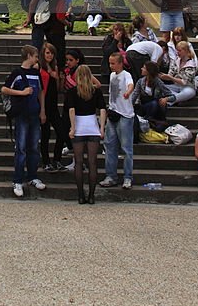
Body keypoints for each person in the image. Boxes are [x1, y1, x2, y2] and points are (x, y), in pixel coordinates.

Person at [2, 44, 47, 197]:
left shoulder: (36, 73)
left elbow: (41, 92)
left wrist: (42, 110)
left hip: (34, 113)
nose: (37, 59)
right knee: (20, 148)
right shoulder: (17, 73)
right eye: (35, 56)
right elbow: (4, 89)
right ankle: (18, 179)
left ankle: (32, 176)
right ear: (29, 56)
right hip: (22, 114)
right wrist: (21, 93)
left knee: (33, 147)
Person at [67, 65, 106, 204]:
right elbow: (102, 109)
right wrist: (102, 128)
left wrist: (72, 128)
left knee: (78, 162)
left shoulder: (72, 91)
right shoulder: (96, 91)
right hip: (92, 126)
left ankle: (80, 195)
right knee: (92, 162)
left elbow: (71, 110)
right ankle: (91, 195)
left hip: (79, 126)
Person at [100, 53, 135, 189]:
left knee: (126, 148)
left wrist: (128, 92)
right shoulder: (112, 76)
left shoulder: (126, 75)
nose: (111, 66)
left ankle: (127, 177)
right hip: (113, 113)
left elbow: (131, 84)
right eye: (110, 63)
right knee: (109, 146)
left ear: (120, 63)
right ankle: (111, 175)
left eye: (113, 63)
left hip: (125, 114)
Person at [39, 42, 66, 172]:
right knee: (45, 135)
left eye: (51, 53)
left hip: (53, 105)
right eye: (47, 53)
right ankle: (45, 162)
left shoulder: (55, 67)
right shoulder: (41, 68)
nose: (50, 55)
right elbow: (41, 91)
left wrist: (60, 79)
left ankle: (57, 160)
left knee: (61, 132)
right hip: (44, 105)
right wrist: (42, 111)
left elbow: (58, 90)